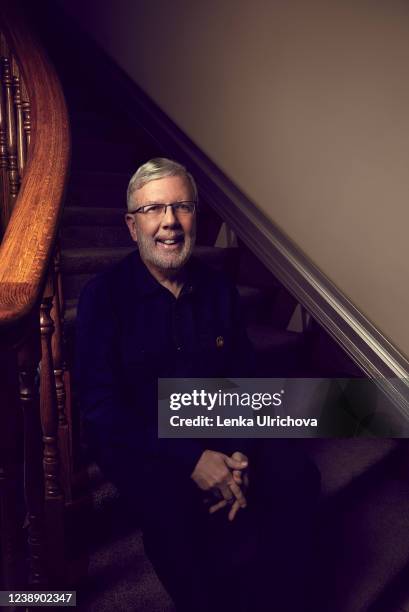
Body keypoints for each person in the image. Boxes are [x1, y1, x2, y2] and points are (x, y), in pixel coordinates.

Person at [76, 158, 320, 612]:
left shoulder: (220, 289)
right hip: (140, 439)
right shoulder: (101, 297)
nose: (169, 222)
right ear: (133, 226)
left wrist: (238, 452)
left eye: (181, 206)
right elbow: (102, 411)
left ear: (195, 217)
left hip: (211, 421)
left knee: (297, 475)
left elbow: (244, 382)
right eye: (153, 210)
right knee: (172, 513)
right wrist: (192, 459)